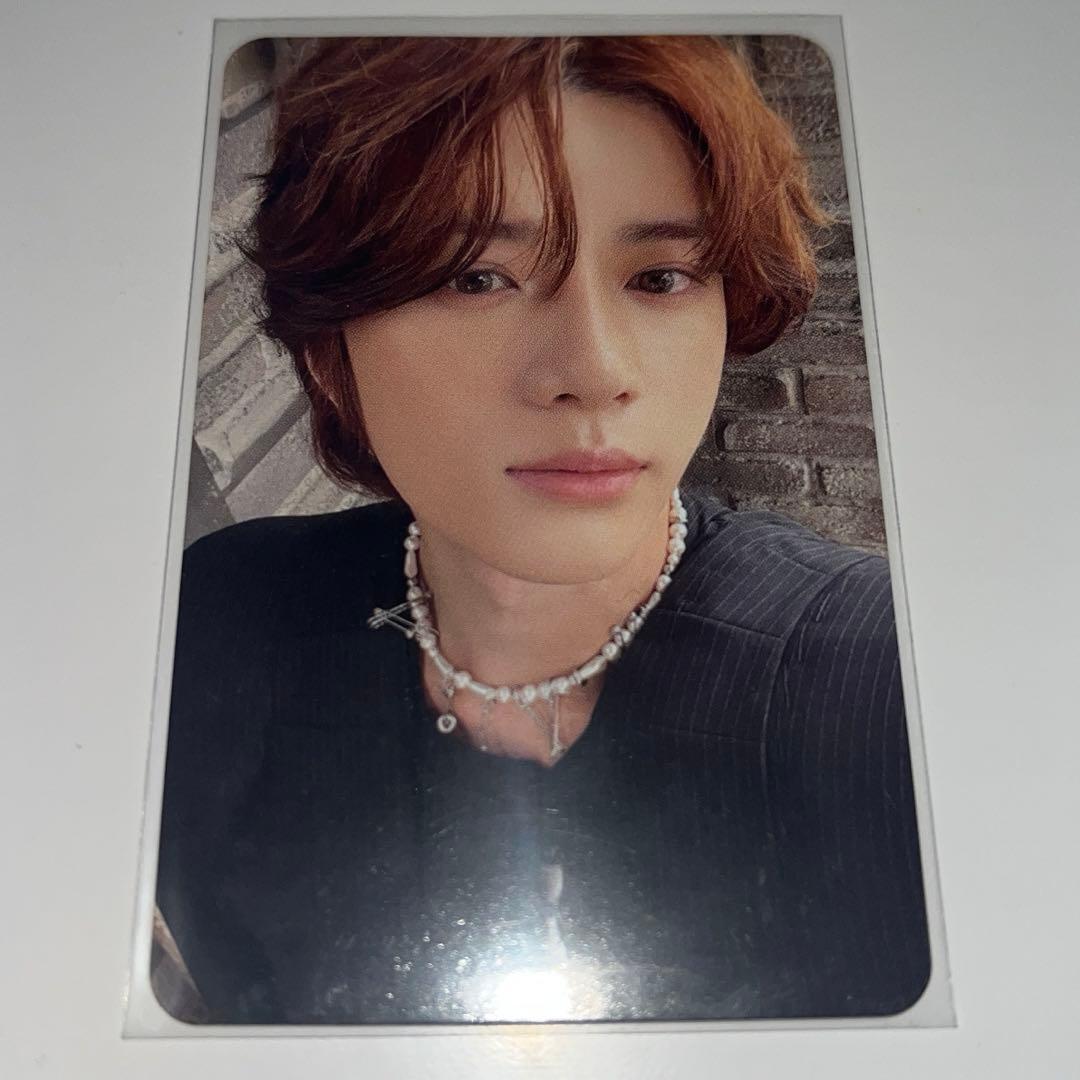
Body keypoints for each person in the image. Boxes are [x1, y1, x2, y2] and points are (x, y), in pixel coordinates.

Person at [154, 34, 932, 1025]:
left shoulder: (895, 695)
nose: (595, 371)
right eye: (477, 278)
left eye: (661, 278)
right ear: (327, 346)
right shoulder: (216, 622)